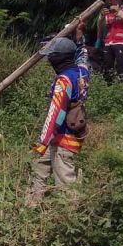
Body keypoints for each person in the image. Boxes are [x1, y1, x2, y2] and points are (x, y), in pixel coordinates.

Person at [28, 37, 91, 202]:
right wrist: (80, 39)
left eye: (52, 56)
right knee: (39, 170)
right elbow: (83, 56)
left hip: (63, 138)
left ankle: (73, 216)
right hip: (68, 134)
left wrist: (42, 143)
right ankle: (31, 206)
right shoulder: (82, 72)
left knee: (65, 184)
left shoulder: (63, 81)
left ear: (60, 58)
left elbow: (56, 114)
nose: (49, 59)